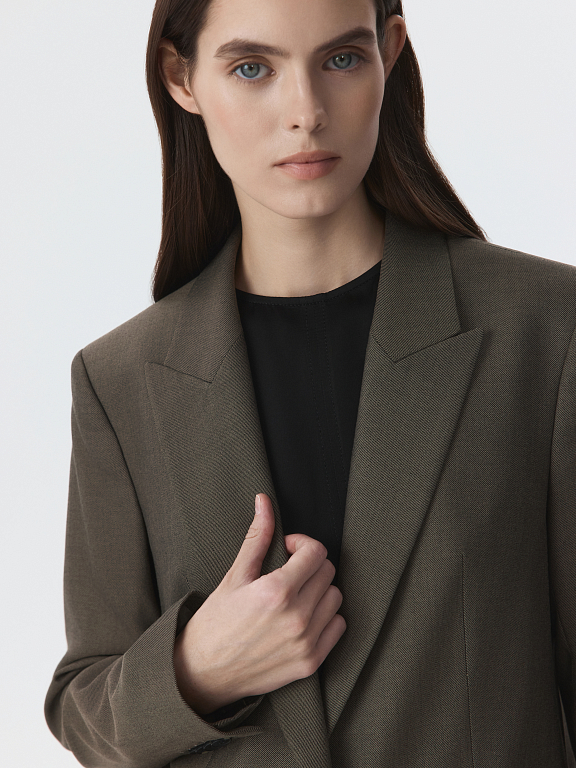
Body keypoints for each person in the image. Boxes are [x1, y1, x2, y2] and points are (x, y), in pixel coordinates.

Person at [44, 0, 576, 766]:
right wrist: (197, 669)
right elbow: (85, 704)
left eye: (342, 59)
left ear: (390, 51)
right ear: (180, 77)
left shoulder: (546, 331)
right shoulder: (121, 381)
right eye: (251, 68)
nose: (306, 112)